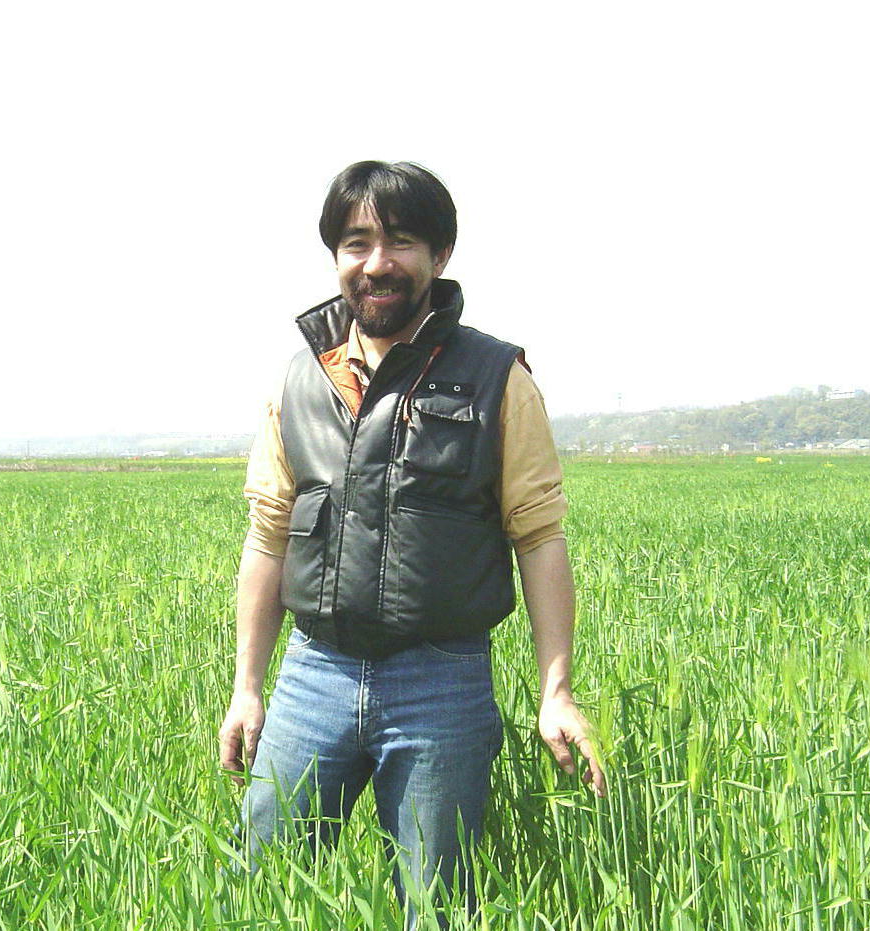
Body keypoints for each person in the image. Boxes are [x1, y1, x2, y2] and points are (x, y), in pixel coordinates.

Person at [218, 160, 606, 921]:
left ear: (440, 255)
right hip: (314, 675)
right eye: (356, 243)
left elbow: (538, 536)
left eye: (399, 241)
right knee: (259, 893)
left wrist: (555, 690)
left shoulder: (497, 377)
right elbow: (267, 536)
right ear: (336, 257)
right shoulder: (299, 381)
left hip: (441, 683)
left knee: (436, 906)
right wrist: (247, 686)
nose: (377, 263)